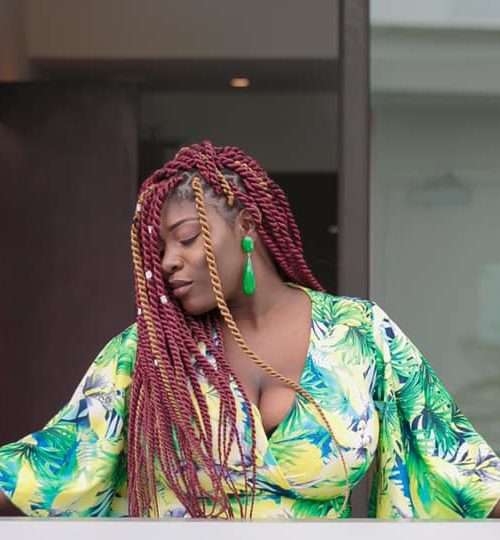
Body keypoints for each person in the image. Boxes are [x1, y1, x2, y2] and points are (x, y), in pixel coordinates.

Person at [1, 141, 499, 519]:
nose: (169, 262)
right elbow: (53, 467)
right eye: (161, 250)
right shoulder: (148, 350)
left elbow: (460, 467)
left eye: (186, 238)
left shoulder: (359, 334)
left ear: (246, 224)